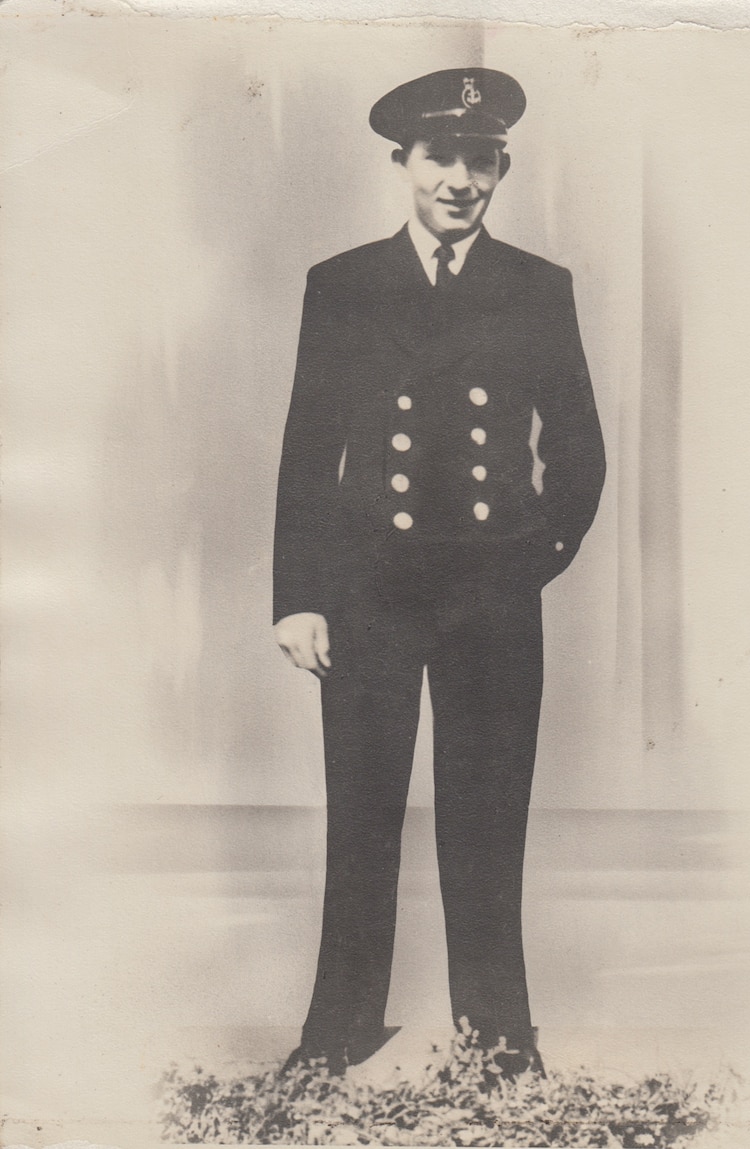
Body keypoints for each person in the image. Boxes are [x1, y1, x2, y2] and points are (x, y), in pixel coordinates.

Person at [273, 68, 605, 1079]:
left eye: (480, 160)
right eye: (439, 158)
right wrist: (299, 595)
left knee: (487, 813)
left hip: (489, 591)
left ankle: (500, 1038)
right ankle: (336, 1031)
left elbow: (580, 448)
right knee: (361, 811)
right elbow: (307, 447)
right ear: (403, 166)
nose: (459, 179)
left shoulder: (539, 288)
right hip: (371, 585)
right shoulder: (341, 283)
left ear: (500, 169)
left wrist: (532, 556)